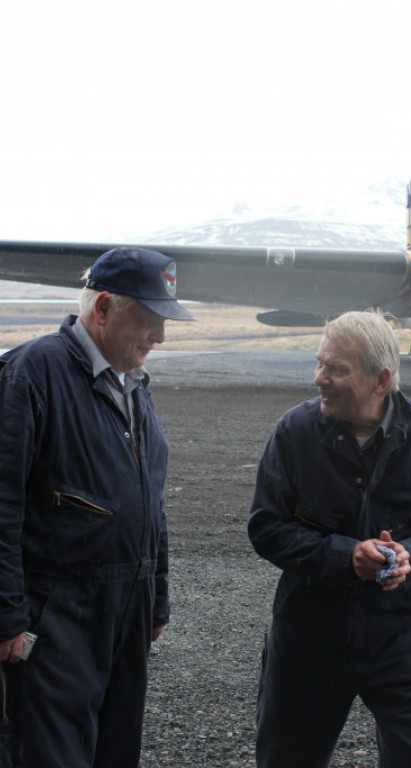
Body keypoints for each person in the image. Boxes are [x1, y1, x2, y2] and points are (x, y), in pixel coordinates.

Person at [248, 310, 411, 768]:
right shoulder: (294, 432)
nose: (319, 378)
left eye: (336, 369)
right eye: (319, 363)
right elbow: (266, 527)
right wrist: (345, 556)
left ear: (381, 380)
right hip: (308, 633)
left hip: (399, 632)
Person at [0, 247, 195, 768]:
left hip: (125, 610)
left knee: (115, 750)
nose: (160, 336)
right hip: (57, 614)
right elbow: (3, 501)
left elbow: (149, 500)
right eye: (149, 320)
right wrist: (6, 613)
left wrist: (156, 598)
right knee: (50, 753)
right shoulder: (31, 373)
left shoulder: (132, 385)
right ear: (104, 307)